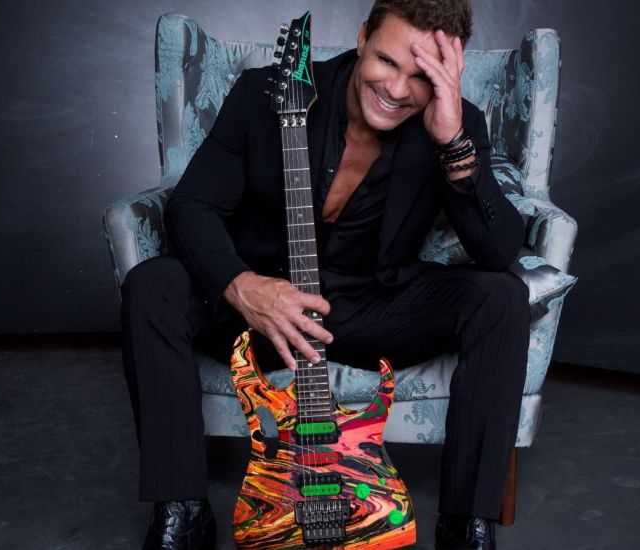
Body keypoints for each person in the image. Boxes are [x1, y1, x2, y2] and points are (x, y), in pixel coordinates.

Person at [121, 1, 529, 548]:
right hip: (264, 309)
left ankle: (465, 525)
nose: (397, 89)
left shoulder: (455, 125)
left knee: (501, 297)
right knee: (153, 287)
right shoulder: (266, 94)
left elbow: (499, 252)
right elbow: (191, 206)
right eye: (386, 61)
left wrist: (452, 143)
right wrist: (242, 286)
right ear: (362, 38)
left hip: (367, 305)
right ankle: (183, 512)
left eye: (421, 76)